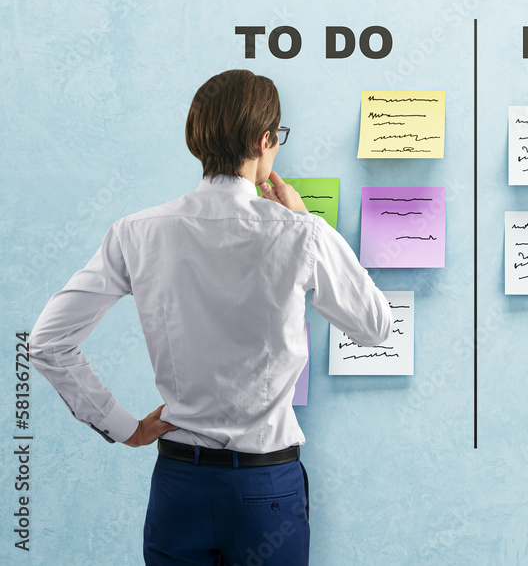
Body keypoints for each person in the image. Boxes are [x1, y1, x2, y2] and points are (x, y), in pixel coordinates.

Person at [29, 69, 391, 564]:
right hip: (266, 489)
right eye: (277, 138)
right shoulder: (300, 234)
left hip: (180, 488)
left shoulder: (136, 232)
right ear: (265, 140)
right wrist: (307, 222)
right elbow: (375, 326)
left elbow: (47, 341)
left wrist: (122, 426)